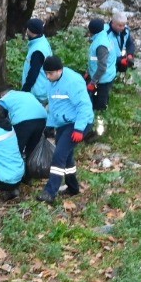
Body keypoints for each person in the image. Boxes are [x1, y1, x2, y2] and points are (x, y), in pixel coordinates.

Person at [39, 55, 92, 205]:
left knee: (59, 155)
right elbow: (54, 106)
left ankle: (50, 192)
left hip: (78, 122)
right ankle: (73, 187)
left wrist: (79, 129)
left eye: (50, 73)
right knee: (67, 157)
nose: (48, 76)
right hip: (63, 122)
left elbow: (84, 106)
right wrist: (50, 125)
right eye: (46, 73)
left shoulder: (73, 82)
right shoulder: (51, 82)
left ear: (59, 70)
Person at [0, 87, 48, 170]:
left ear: (2, 95)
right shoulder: (26, 94)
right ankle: (29, 174)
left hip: (23, 121)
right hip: (42, 118)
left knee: (16, 149)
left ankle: (13, 173)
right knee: (32, 149)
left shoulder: (5, 98)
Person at [85, 16, 118, 136]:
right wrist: (88, 71)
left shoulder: (101, 45)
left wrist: (93, 82)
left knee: (100, 105)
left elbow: (102, 67)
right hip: (102, 76)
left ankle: (98, 131)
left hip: (103, 80)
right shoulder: (104, 35)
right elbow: (94, 61)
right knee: (95, 102)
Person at [18, 16, 53, 99]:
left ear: (30, 31)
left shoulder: (37, 51)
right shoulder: (42, 41)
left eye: (27, 29)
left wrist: (24, 91)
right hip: (42, 89)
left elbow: (33, 74)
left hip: (37, 94)